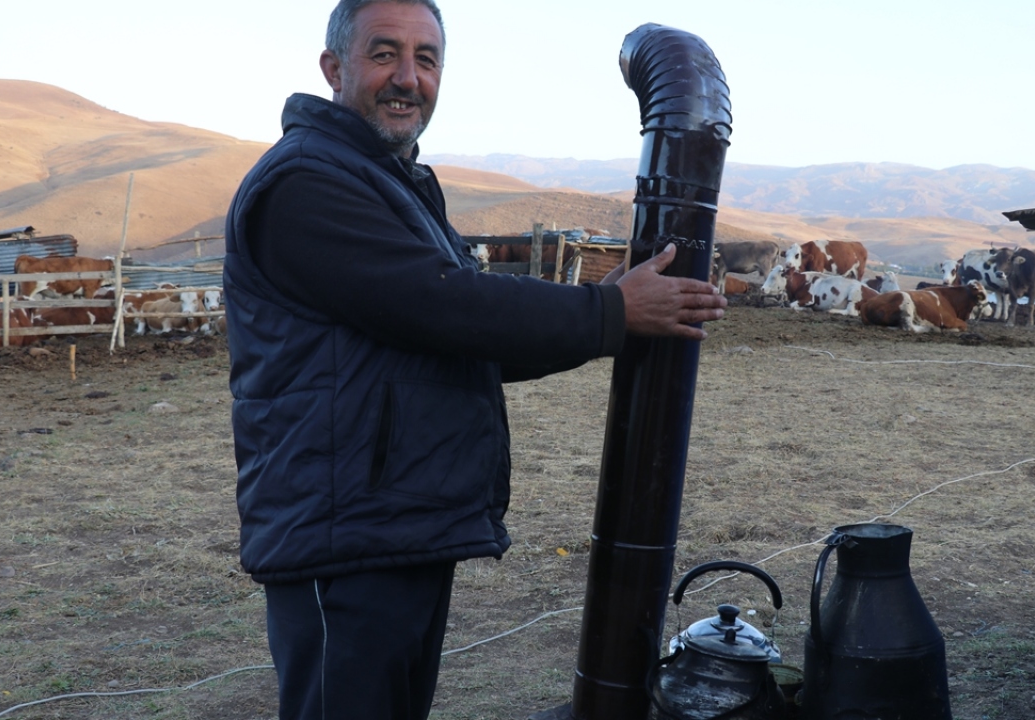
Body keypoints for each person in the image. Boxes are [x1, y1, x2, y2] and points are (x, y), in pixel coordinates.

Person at [221, 1, 727, 718]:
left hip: (391, 525)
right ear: (334, 68)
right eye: (385, 53)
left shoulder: (387, 180)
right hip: (341, 539)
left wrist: (602, 314)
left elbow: (457, 339)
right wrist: (611, 315)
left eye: (426, 60)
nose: (408, 78)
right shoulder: (308, 182)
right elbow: (441, 305)